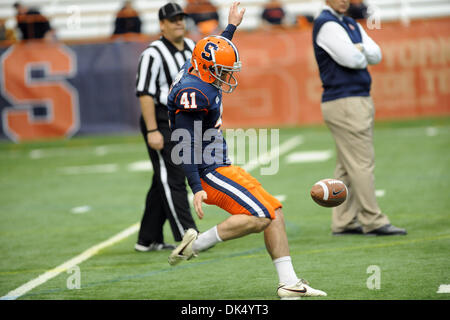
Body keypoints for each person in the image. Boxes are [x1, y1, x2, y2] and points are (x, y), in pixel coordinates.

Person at [166, 1, 327, 299]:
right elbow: (184, 142)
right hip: (207, 169)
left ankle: (288, 283)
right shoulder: (193, 92)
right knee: (261, 215)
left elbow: (215, 49)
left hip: (218, 161)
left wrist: (231, 26)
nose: (226, 75)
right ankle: (196, 245)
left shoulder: (199, 66)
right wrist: (196, 187)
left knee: (273, 211)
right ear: (205, 68)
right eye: (221, 71)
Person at [312, 0, 407, 236]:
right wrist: (361, 49)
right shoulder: (328, 23)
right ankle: (373, 219)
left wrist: (359, 49)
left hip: (354, 99)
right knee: (362, 163)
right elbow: (352, 60)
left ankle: (343, 221)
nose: (344, 0)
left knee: (348, 165)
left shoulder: (349, 22)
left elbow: (376, 54)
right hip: (346, 101)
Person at [134, 2, 199, 252]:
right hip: (162, 119)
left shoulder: (192, 47)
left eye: (181, 18)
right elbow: (145, 94)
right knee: (174, 177)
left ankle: (147, 238)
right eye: (173, 19)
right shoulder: (153, 53)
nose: (179, 22)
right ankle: (188, 234)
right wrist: (152, 130)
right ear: (162, 24)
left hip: (184, 117)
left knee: (162, 178)